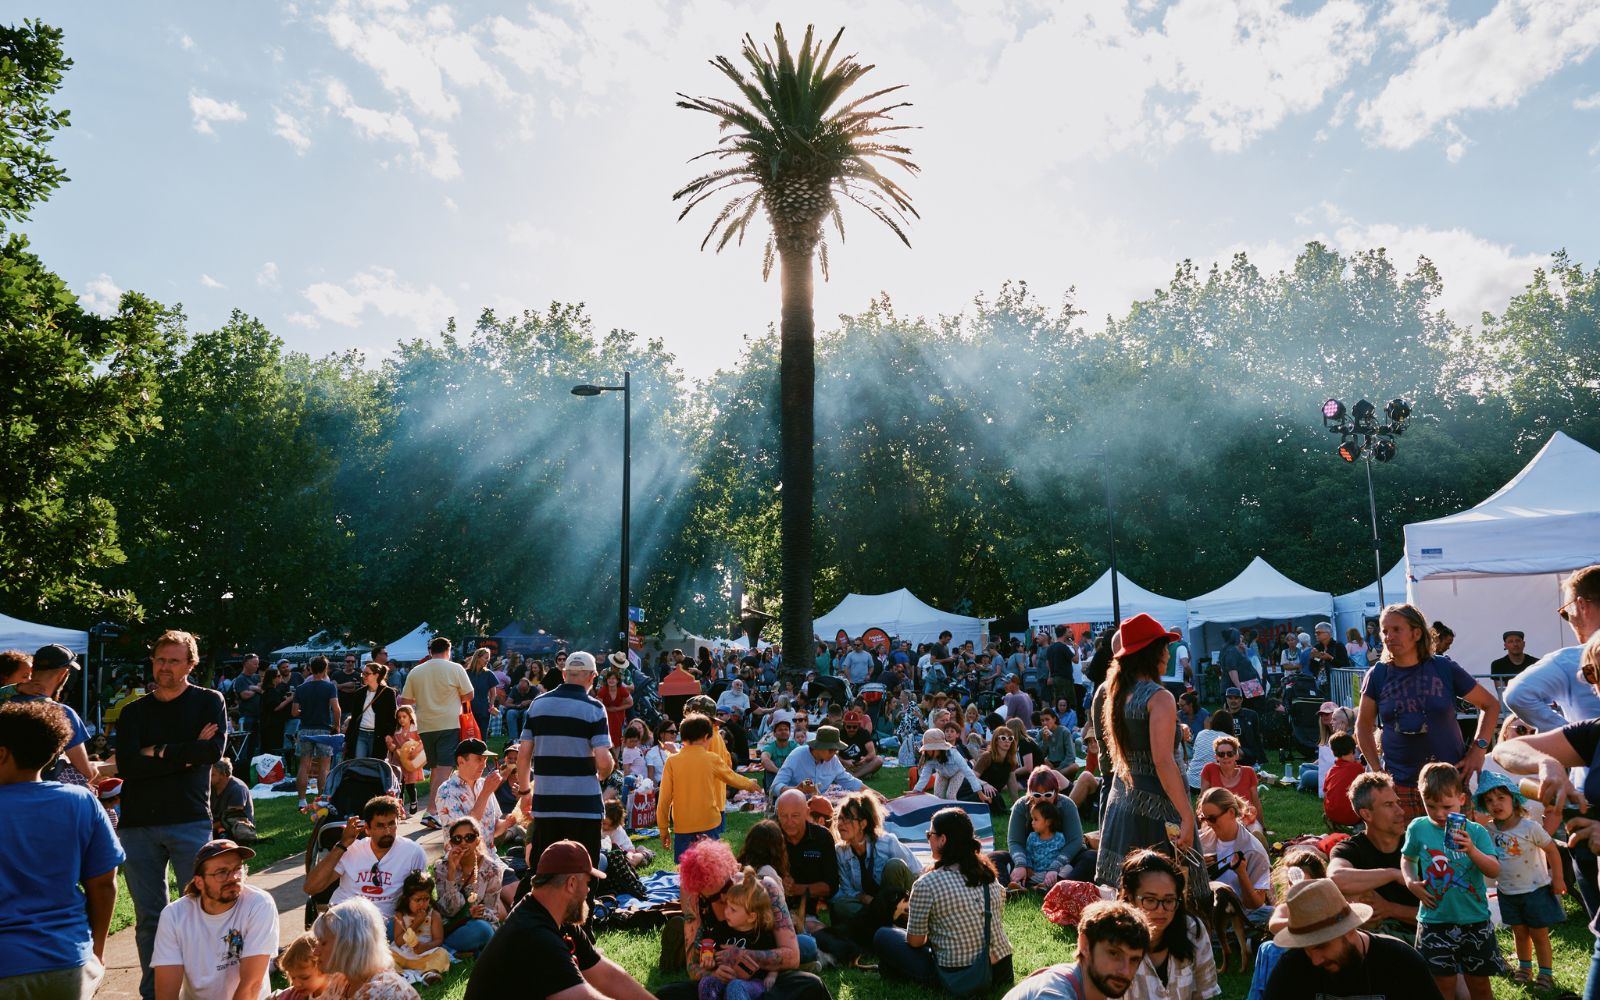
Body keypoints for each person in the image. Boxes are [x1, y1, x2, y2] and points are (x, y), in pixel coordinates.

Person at [116, 630, 229, 1000]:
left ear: (191, 664)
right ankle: (156, 994)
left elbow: (211, 752)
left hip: (189, 819)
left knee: (201, 910)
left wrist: (158, 750)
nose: (164, 667)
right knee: (150, 919)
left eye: (173, 660)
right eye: (159, 659)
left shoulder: (209, 701)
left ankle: (203, 991)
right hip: (138, 824)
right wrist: (184, 752)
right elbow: (128, 767)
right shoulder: (134, 710)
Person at [1491, 630, 1600, 999]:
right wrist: (1547, 762)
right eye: (1590, 678)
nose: (1594, 690)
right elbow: (1510, 751)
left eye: (1596, 676)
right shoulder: (1595, 734)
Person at [0, 700, 123, 1000]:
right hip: (68, 961)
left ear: (1, 754)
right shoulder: (81, 801)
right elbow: (105, 885)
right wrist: (97, 953)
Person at [1091, 615, 1206, 908]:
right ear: (1150, 652)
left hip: (1124, 799)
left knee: (1130, 892)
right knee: (1169, 887)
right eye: (1164, 647)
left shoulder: (1116, 693)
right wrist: (1186, 815)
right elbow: (1163, 761)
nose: (1168, 654)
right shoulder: (1160, 697)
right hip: (1158, 802)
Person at [1354, 603, 1500, 820]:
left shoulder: (1443, 668)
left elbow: (1490, 705)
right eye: (1385, 631)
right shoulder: (1378, 674)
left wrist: (1479, 749)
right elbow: (1363, 727)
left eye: (1396, 629)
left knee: (1457, 850)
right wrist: (1377, 770)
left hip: (1449, 783)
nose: (1388, 636)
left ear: (1416, 633)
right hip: (1401, 785)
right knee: (1411, 851)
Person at [464, 841, 657, 1000]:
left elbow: (608, 976)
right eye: (587, 884)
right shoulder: (533, 933)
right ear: (571, 883)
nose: (589, 891)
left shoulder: (555, 915)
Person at [659, 839, 826, 1000]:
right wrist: (712, 973)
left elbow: (792, 957)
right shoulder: (697, 901)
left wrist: (744, 955)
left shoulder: (764, 889)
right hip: (720, 984)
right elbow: (693, 966)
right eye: (714, 897)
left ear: (733, 871)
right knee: (667, 994)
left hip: (760, 982)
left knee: (811, 984)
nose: (724, 898)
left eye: (726, 887)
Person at [873, 807, 1014, 992]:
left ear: (943, 840)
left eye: (929, 834)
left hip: (960, 976)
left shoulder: (927, 883)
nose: (928, 838)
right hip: (1002, 971)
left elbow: (916, 941)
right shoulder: (988, 876)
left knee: (884, 935)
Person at [1399, 761, 1502, 998]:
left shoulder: (1476, 832)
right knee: (1440, 987)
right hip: (1435, 920)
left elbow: (1494, 871)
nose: (1438, 813)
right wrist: (1410, 881)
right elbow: (1408, 859)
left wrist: (1472, 850)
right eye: (1430, 806)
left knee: (1479, 986)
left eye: (1446, 806)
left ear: (1462, 799)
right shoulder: (1418, 827)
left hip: (1474, 920)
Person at [1260, 878, 1441, 1000]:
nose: (1315, 960)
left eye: (1321, 946)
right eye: (1306, 947)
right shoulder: (1292, 966)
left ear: (1349, 930)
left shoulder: (1400, 961)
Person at [517, 649, 614, 865]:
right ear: (592, 676)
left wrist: (525, 791)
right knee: (584, 868)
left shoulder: (538, 704)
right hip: (584, 805)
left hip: (546, 802)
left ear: (564, 674)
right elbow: (603, 760)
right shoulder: (594, 708)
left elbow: (523, 755)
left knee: (546, 869)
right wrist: (602, 775)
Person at [152, 839, 278, 1000]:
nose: (233, 877)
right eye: (221, 872)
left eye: (238, 869)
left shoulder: (259, 904)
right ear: (199, 882)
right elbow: (166, 993)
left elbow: (252, 985)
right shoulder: (174, 915)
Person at [1473, 770, 1565, 988]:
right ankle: (1525, 968)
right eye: (1489, 800)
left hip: (1535, 890)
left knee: (1539, 934)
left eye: (1501, 798)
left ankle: (1546, 973)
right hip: (1507, 891)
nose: (1495, 804)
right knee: (1520, 932)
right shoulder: (1490, 830)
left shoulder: (1529, 827)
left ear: (1513, 800)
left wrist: (1558, 879)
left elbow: (1552, 850)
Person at [825, 791, 922, 958]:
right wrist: (870, 901)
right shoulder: (840, 852)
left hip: (897, 903)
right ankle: (885, 930)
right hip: (868, 908)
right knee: (841, 904)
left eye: (847, 819)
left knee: (895, 866)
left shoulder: (888, 842)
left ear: (863, 823)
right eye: (839, 819)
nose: (841, 824)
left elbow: (916, 873)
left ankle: (898, 924)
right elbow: (848, 890)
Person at [304, 794, 429, 921]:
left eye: (391, 824)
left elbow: (422, 897)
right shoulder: (350, 849)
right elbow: (311, 888)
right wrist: (342, 845)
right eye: (380, 826)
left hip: (385, 924)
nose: (387, 831)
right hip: (343, 918)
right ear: (367, 829)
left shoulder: (413, 852)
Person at [1117, 849, 1219, 1000]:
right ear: (1131, 898)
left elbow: (1202, 994)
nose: (1160, 910)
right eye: (1150, 900)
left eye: (1169, 900)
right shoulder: (1111, 938)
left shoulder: (1191, 930)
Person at [1326, 771, 1421, 932]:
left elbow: (1444, 914)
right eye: (1389, 805)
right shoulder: (1351, 848)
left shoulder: (1418, 846)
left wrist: (1391, 909)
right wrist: (1394, 874)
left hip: (1419, 939)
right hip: (1372, 936)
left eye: (1397, 803)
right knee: (1353, 896)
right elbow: (1336, 878)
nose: (1401, 811)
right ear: (1366, 814)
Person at [658, 713, 759, 859]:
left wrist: (663, 829)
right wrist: (749, 784)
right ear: (706, 737)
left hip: (682, 826)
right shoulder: (711, 759)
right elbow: (731, 777)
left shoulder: (672, 761)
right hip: (709, 824)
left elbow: (664, 799)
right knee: (712, 868)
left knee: (685, 872)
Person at [1003, 899, 1147, 1000]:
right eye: (1114, 953)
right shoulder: (1054, 993)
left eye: (1134, 960)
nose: (1126, 971)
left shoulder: (1086, 983)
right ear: (1085, 945)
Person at [400, 636, 474, 826]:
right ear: (448, 650)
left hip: (425, 724)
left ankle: (437, 810)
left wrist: (425, 699)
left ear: (430, 651)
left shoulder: (416, 671)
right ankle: (431, 811)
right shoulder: (455, 668)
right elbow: (469, 694)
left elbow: (405, 701)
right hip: (448, 723)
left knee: (435, 768)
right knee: (444, 768)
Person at [2, 643, 99, 786]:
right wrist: (93, 770)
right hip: (39, 797)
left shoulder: (4, 701)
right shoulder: (63, 714)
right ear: (64, 674)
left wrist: (16, 688)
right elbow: (85, 772)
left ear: (33, 669)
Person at [1004, 766, 1097, 885]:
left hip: (1064, 861)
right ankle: (1009, 887)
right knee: (996, 857)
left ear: (1056, 792)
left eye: (1048, 794)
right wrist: (1020, 864)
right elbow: (1015, 841)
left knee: (1091, 858)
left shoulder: (1067, 805)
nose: (1043, 799)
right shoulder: (1021, 806)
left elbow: (1075, 841)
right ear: (1030, 793)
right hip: (1030, 861)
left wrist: (1055, 866)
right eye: (1037, 795)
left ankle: (1060, 886)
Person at [312, 898, 420, 1000]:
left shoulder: (389, 993)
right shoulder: (340, 981)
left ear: (350, 945)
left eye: (323, 943)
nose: (315, 952)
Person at [1197, 787, 1273, 927]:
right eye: (1203, 818)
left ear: (1231, 812)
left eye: (1212, 818)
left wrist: (1242, 873)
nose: (1208, 823)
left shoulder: (1253, 850)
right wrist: (1197, 866)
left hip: (1242, 912)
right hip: (1209, 908)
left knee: (1270, 914)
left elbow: (1255, 904)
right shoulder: (1200, 841)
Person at [432, 816, 508, 955]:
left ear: (477, 840)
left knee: (482, 930)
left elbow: (493, 912)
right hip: (449, 925)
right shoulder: (441, 867)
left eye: (469, 837)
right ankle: (456, 950)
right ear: (451, 843)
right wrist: (451, 872)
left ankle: (443, 949)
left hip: (478, 925)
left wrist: (477, 913)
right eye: (457, 839)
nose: (463, 843)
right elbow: (448, 910)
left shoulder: (492, 869)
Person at [773, 788, 839, 920]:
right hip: (772, 910)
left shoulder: (822, 837)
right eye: (784, 816)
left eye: (795, 816)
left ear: (807, 813)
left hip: (808, 912)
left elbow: (831, 886)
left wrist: (795, 889)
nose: (789, 822)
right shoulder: (770, 836)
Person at [434, 737, 514, 842]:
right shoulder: (446, 791)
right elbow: (464, 834)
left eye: (485, 759)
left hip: (490, 856)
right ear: (461, 761)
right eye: (479, 759)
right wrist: (485, 793)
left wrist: (508, 822)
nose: (484, 765)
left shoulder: (483, 784)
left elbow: (493, 831)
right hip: (463, 857)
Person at [291, 656, 342, 809]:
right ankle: (322, 798)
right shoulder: (329, 687)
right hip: (324, 729)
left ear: (310, 669)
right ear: (325, 669)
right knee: (324, 766)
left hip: (305, 729)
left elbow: (294, 712)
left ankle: (301, 800)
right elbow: (336, 709)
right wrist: (337, 726)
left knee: (304, 765)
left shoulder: (300, 688)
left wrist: (305, 712)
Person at [770, 725, 863, 799]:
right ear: (819, 747)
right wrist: (796, 789)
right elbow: (775, 787)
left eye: (836, 750)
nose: (834, 753)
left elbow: (850, 781)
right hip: (792, 802)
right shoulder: (797, 755)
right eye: (831, 750)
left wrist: (875, 795)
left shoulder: (833, 760)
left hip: (816, 804)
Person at [389, 871, 450, 983]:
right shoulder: (401, 915)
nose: (422, 904)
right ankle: (399, 974)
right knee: (387, 954)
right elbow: (398, 941)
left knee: (442, 953)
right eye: (417, 900)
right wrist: (416, 923)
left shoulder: (433, 915)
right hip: (402, 954)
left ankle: (429, 972)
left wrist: (424, 947)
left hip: (424, 955)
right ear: (407, 899)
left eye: (426, 899)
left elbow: (438, 940)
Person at [1199, 735, 1264, 840]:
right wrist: (1198, 824)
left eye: (1230, 754)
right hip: (1216, 818)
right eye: (1221, 754)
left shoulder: (1249, 772)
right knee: (1209, 837)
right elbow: (1201, 800)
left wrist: (1262, 825)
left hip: (1245, 816)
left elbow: (1256, 802)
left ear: (1236, 756)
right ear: (1216, 757)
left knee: (1256, 834)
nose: (1225, 757)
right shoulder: (1209, 769)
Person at [911, 727, 987, 800]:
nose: (928, 752)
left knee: (950, 795)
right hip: (942, 774)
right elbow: (925, 775)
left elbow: (968, 772)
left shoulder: (953, 754)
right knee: (937, 796)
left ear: (939, 748)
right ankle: (940, 812)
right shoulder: (929, 758)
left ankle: (956, 812)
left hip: (957, 773)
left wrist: (980, 793)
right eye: (927, 749)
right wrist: (916, 790)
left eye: (931, 749)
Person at [345, 661, 397, 762]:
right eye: (363, 673)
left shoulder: (388, 693)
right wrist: (347, 740)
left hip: (378, 735)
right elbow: (354, 717)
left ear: (376, 675)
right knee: (359, 764)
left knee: (374, 765)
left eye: (367, 673)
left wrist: (389, 734)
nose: (363, 676)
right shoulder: (359, 693)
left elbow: (392, 717)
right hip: (361, 734)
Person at [275, 932, 342, 1000]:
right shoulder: (292, 995)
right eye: (293, 978)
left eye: (304, 977)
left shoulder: (338, 994)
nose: (296, 984)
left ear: (324, 967)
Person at [386, 705, 425, 815]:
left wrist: (415, 747)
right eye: (399, 717)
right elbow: (392, 747)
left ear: (410, 717)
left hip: (410, 761)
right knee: (399, 784)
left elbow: (421, 743)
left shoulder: (415, 730)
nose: (401, 719)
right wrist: (390, 745)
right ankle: (399, 807)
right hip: (398, 761)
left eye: (404, 716)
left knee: (410, 784)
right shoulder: (396, 731)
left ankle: (413, 801)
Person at [974, 728, 1022, 816]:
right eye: (1003, 738)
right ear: (996, 741)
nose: (1007, 741)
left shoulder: (1011, 760)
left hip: (993, 793)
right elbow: (972, 777)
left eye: (1010, 738)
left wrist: (1017, 803)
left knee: (997, 800)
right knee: (995, 801)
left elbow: (1012, 783)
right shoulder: (987, 756)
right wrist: (984, 784)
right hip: (976, 791)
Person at [1320, 733, 1363, 828]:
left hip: (1331, 814)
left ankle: (1335, 820)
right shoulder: (1358, 768)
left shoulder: (1330, 771)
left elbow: (1325, 793)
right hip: (1352, 817)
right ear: (1353, 749)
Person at [1184, 710, 1231, 792]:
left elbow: (1195, 752)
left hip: (1190, 782)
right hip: (1210, 786)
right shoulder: (1228, 738)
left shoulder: (1202, 733)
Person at [208, 759, 255, 840]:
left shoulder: (237, 789)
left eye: (212, 775)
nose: (208, 778)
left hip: (236, 826)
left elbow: (232, 819)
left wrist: (208, 828)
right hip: (216, 824)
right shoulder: (211, 787)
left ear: (224, 774)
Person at [1218, 689, 1266, 768]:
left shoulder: (1251, 715)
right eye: (1230, 698)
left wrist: (1261, 758)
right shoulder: (1221, 716)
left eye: (1236, 698)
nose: (1233, 701)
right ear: (1226, 699)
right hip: (1227, 752)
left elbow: (1257, 736)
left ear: (1241, 700)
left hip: (1248, 753)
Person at [837, 709, 882, 780]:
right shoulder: (839, 734)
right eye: (849, 727)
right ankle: (862, 775)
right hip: (845, 765)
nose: (851, 729)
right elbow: (834, 754)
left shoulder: (864, 733)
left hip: (861, 765)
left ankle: (854, 776)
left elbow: (872, 753)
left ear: (858, 725)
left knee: (879, 760)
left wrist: (865, 759)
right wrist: (845, 761)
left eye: (854, 727)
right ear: (844, 725)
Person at [599, 664, 635, 749]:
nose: (611, 680)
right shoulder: (604, 675)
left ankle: (618, 757)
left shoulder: (626, 672)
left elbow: (632, 691)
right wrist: (608, 709)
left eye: (613, 679)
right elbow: (599, 699)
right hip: (606, 712)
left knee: (620, 733)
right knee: (606, 733)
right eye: (609, 679)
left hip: (620, 710)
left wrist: (616, 709)